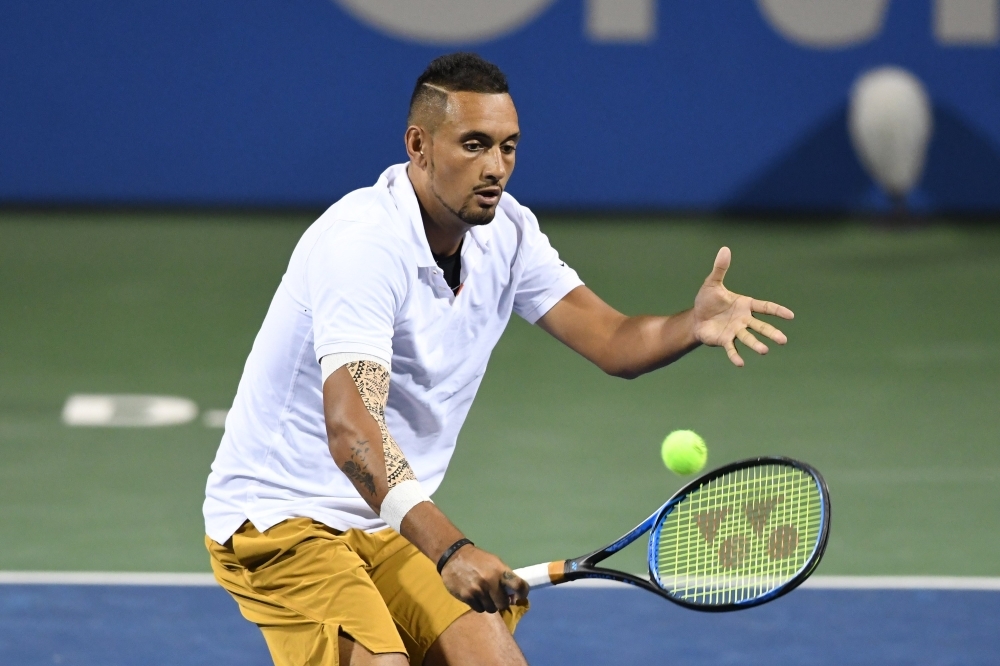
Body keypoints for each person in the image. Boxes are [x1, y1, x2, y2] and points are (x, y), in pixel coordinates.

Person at [203, 52, 793, 666]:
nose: (496, 168)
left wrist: (689, 326)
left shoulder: (507, 233)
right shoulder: (362, 247)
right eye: (475, 145)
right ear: (419, 145)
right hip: (280, 518)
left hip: (387, 520)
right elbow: (353, 433)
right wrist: (451, 549)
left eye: (508, 148)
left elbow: (613, 340)